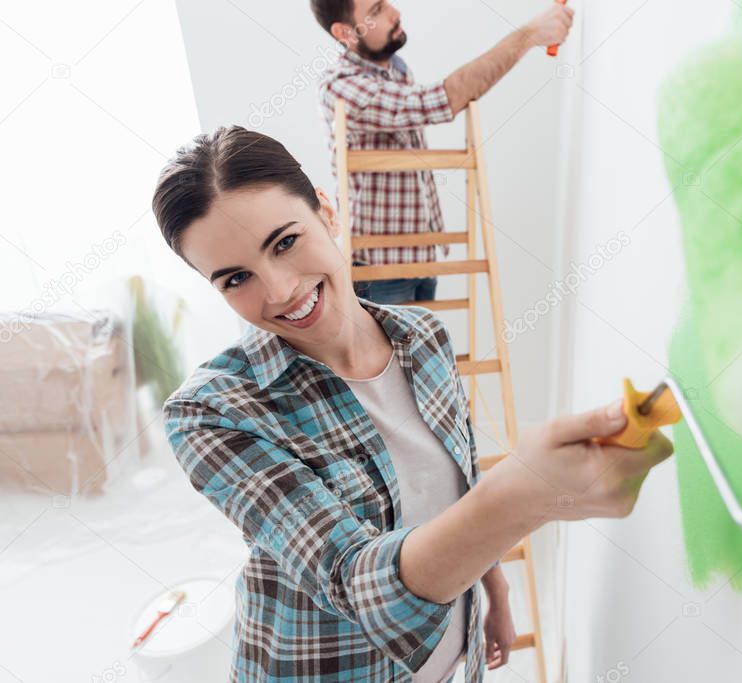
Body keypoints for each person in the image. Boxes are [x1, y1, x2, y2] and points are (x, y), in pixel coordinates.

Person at [153, 126, 672, 683]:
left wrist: (493, 588)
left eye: (284, 242)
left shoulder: (424, 338)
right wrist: (523, 495)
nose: (279, 290)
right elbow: (352, 581)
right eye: (236, 278)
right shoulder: (210, 414)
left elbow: (457, 485)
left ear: (326, 210)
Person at [312, 0, 575, 305]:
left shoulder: (397, 70)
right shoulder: (340, 87)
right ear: (345, 31)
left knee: (423, 353)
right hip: (378, 272)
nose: (395, 13)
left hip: (422, 257)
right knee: (391, 354)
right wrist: (528, 35)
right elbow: (439, 100)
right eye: (376, 11)